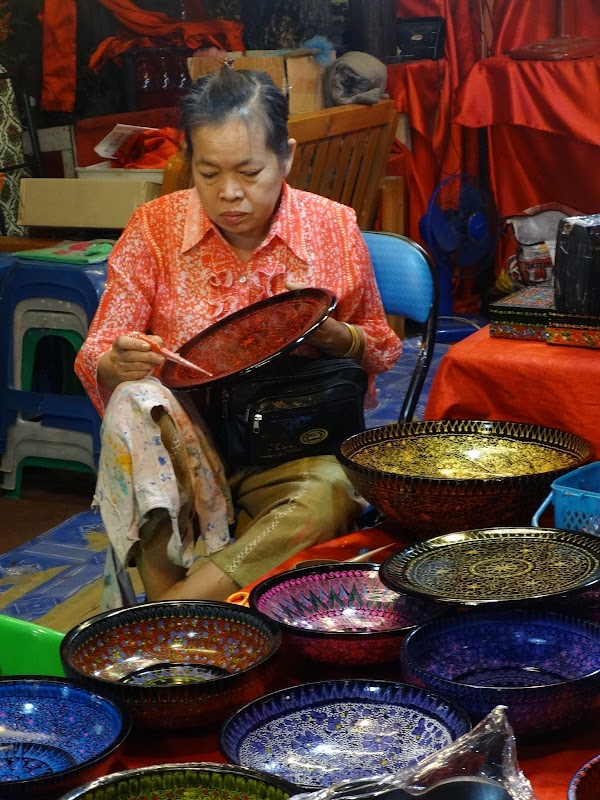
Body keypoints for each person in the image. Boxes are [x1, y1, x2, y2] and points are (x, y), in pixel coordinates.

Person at [74, 66, 402, 609]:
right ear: (190, 163)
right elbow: (96, 352)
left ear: (286, 157)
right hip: (186, 450)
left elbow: (383, 348)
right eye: (208, 173)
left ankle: (171, 612)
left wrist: (333, 336)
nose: (229, 194)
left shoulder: (333, 227)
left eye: (250, 172)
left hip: (294, 446)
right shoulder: (153, 228)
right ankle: (183, 606)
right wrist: (118, 362)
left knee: (327, 495)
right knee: (134, 399)